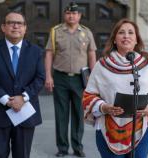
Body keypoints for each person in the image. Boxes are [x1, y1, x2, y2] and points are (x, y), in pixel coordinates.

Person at [82, 18, 148, 158]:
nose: (126, 36)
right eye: (121, 32)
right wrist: (104, 107)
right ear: (114, 39)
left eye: (130, 33)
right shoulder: (102, 65)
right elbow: (88, 95)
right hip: (109, 127)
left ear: (136, 39)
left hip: (142, 127)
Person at [0, 11, 45, 158]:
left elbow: (40, 78)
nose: (15, 26)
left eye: (20, 23)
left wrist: (23, 97)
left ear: (25, 28)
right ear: (3, 27)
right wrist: (6, 100)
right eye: (11, 23)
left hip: (25, 113)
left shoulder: (35, 51)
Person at [44, 2, 96, 157]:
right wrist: (48, 75)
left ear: (79, 15)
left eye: (74, 13)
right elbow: (49, 54)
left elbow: (92, 55)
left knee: (79, 114)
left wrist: (93, 78)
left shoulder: (87, 33)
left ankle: (78, 147)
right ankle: (62, 148)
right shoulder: (55, 32)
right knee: (61, 114)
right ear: (64, 15)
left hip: (80, 79)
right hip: (60, 78)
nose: (71, 16)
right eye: (68, 13)